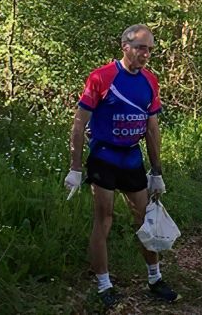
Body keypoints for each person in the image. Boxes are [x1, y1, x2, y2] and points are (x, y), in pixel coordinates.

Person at [63, 24, 179, 308]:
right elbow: (79, 123)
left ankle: (155, 279)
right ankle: (104, 285)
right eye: (141, 47)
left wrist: (157, 171)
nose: (146, 54)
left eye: (150, 49)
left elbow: (152, 128)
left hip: (132, 157)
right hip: (104, 156)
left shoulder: (150, 81)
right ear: (125, 46)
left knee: (144, 219)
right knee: (104, 219)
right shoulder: (102, 77)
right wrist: (75, 167)